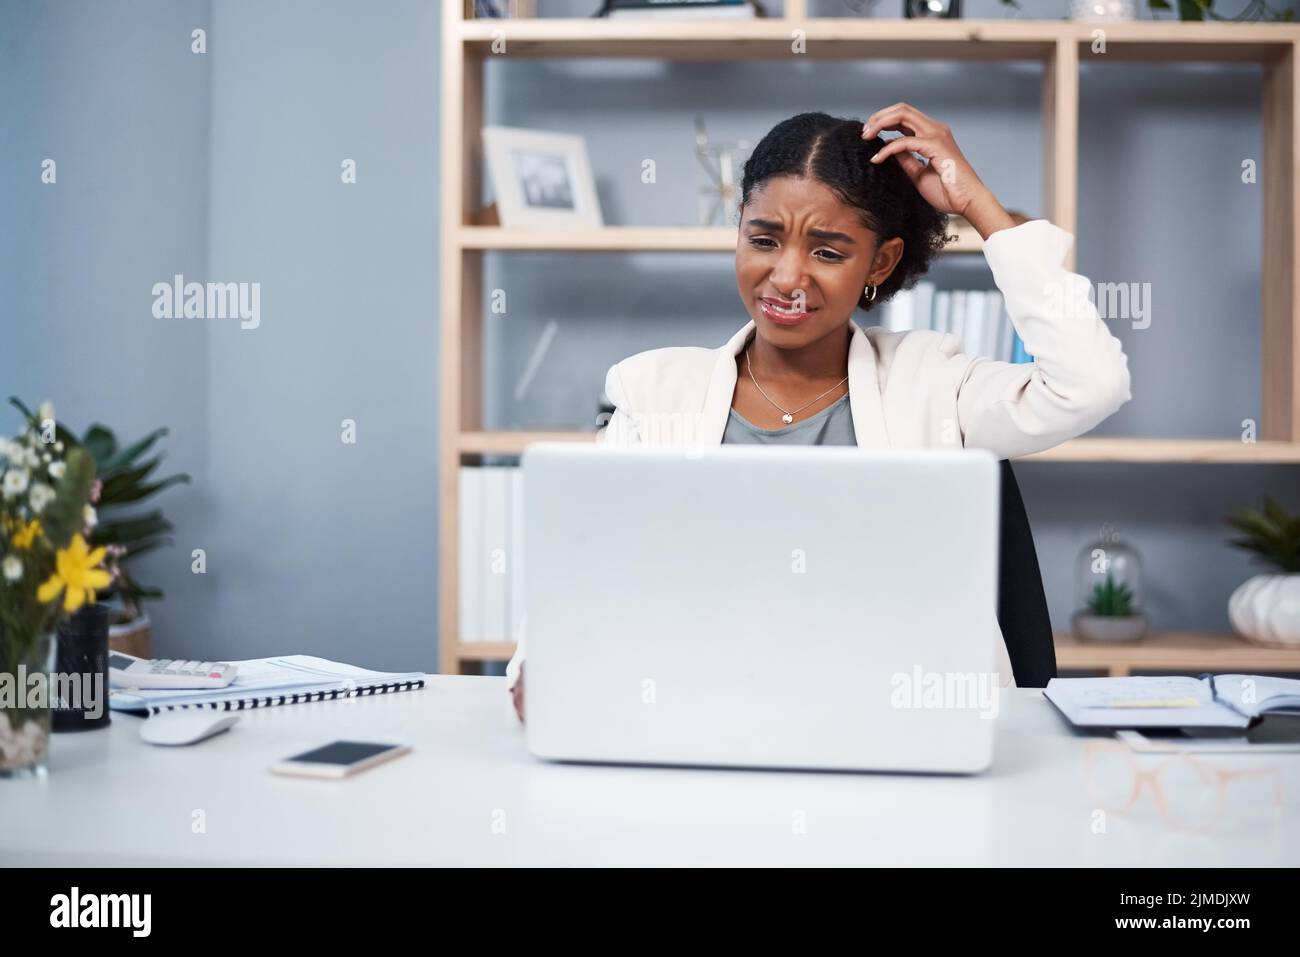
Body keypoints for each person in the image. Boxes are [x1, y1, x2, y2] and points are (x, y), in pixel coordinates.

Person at [508, 105, 1132, 724]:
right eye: (762, 240)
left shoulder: (934, 382)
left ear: (880, 263)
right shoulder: (651, 388)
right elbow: (586, 562)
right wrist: (545, 666)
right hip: (702, 712)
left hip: (893, 721)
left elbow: (1090, 384)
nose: (786, 277)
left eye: (828, 253)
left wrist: (979, 208)